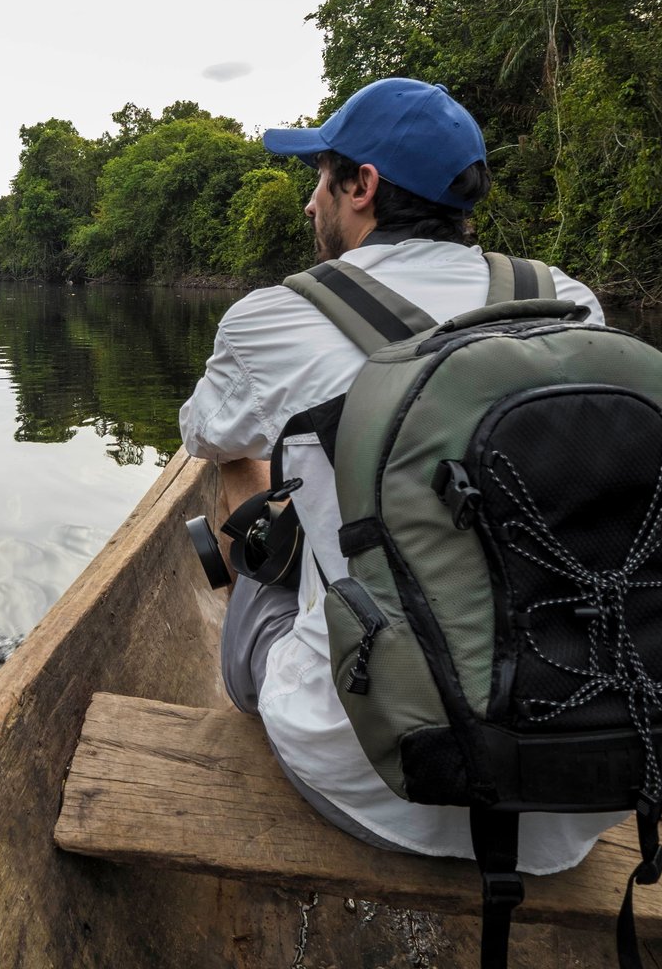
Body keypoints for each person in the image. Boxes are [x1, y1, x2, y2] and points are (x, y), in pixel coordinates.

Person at [177, 77, 624, 874]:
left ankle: (267, 657)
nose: (311, 205)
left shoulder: (276, 315)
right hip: (584, 793)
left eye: (320, 180)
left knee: (246, 480)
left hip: (373, 777)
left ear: (362, 186)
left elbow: (202, 437)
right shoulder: (568, 301)